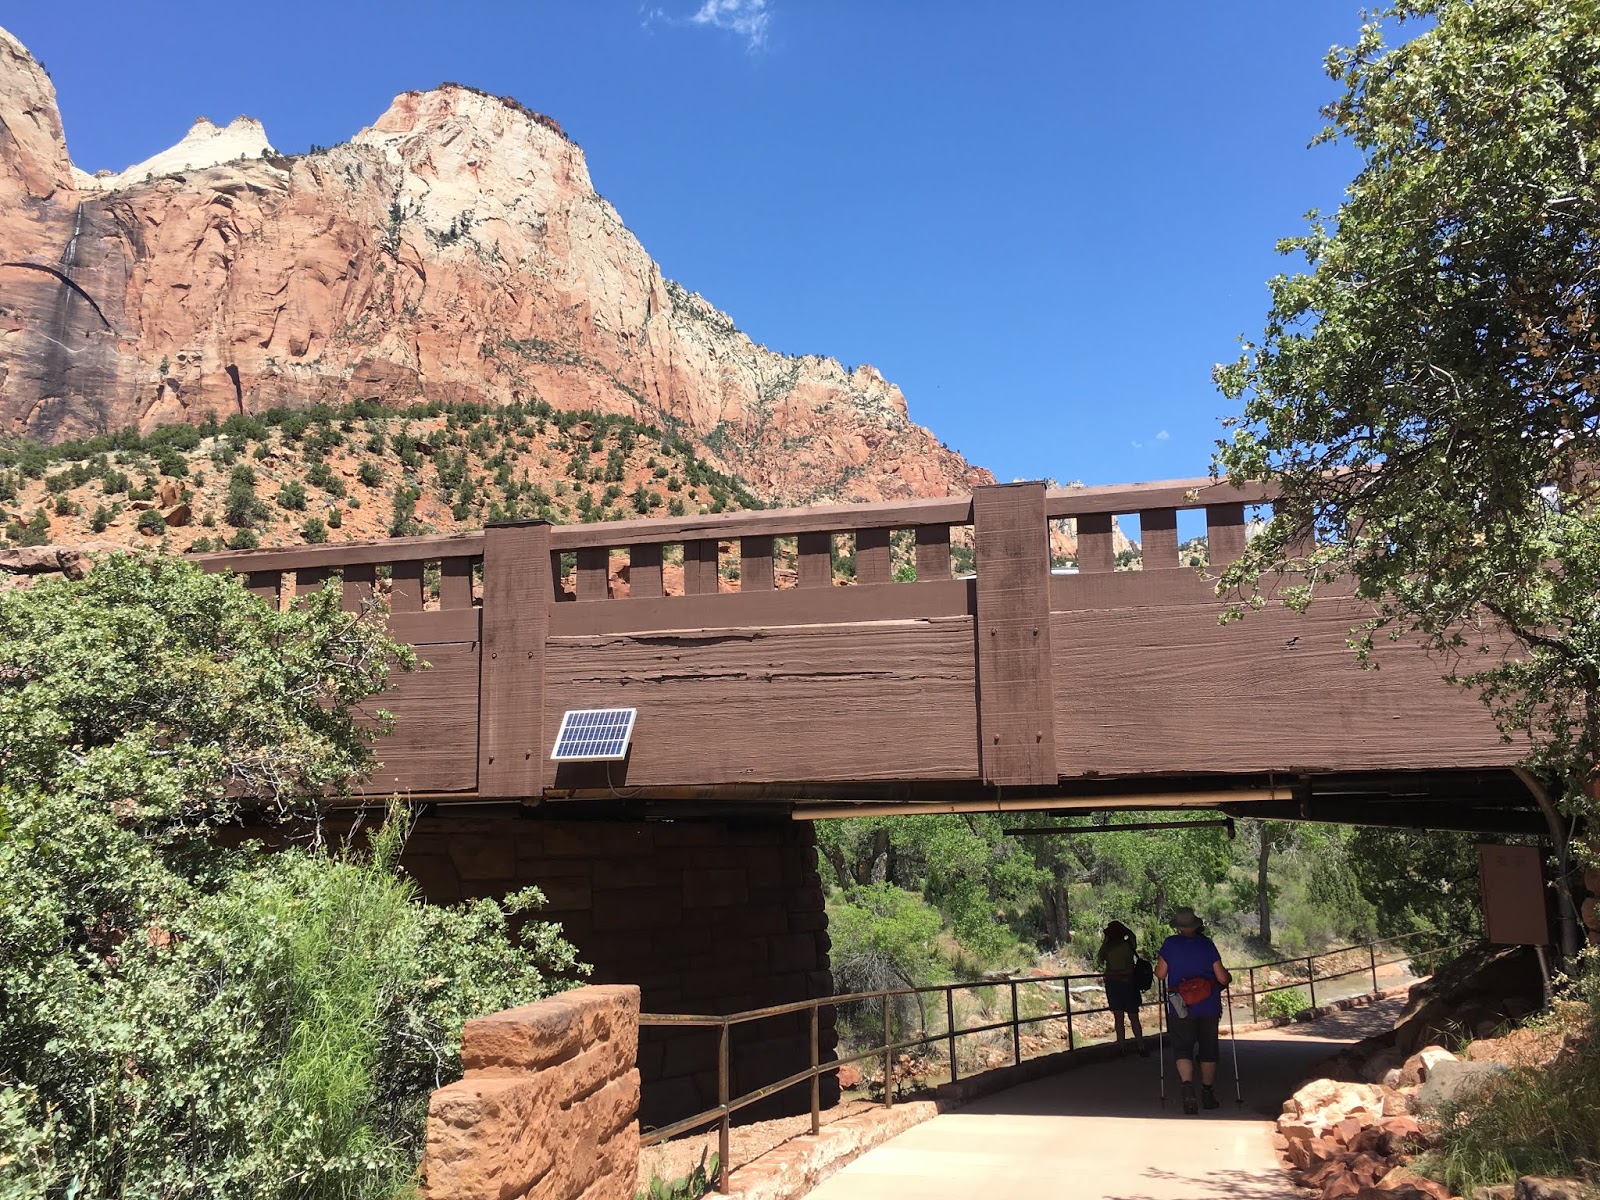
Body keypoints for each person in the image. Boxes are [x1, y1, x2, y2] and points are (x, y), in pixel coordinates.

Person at [1155, 906, 1232, 1114]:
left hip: (1180, 1004)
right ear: (1196, 925)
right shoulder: (1207, 945)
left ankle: (1188, 1092)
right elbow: (1222, 978)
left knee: (1182, 1047)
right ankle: (1207, 1094)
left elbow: (1160, 974)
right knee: (1208, 1048)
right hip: (1208, 1005)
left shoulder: (1170, 944)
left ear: (1179, 927)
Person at [1096, 920, 1147, 1056]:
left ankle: (1121, 1048)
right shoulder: (1128, 945)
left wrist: (1105, 941)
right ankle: (1141, 1047)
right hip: (1129, 984)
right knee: (1134, 1017)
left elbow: (1099, 959)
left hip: (1113, 985)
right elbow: (1133, 937)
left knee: (1118, 1018)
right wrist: (1126, 930)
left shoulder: (1107, 948)